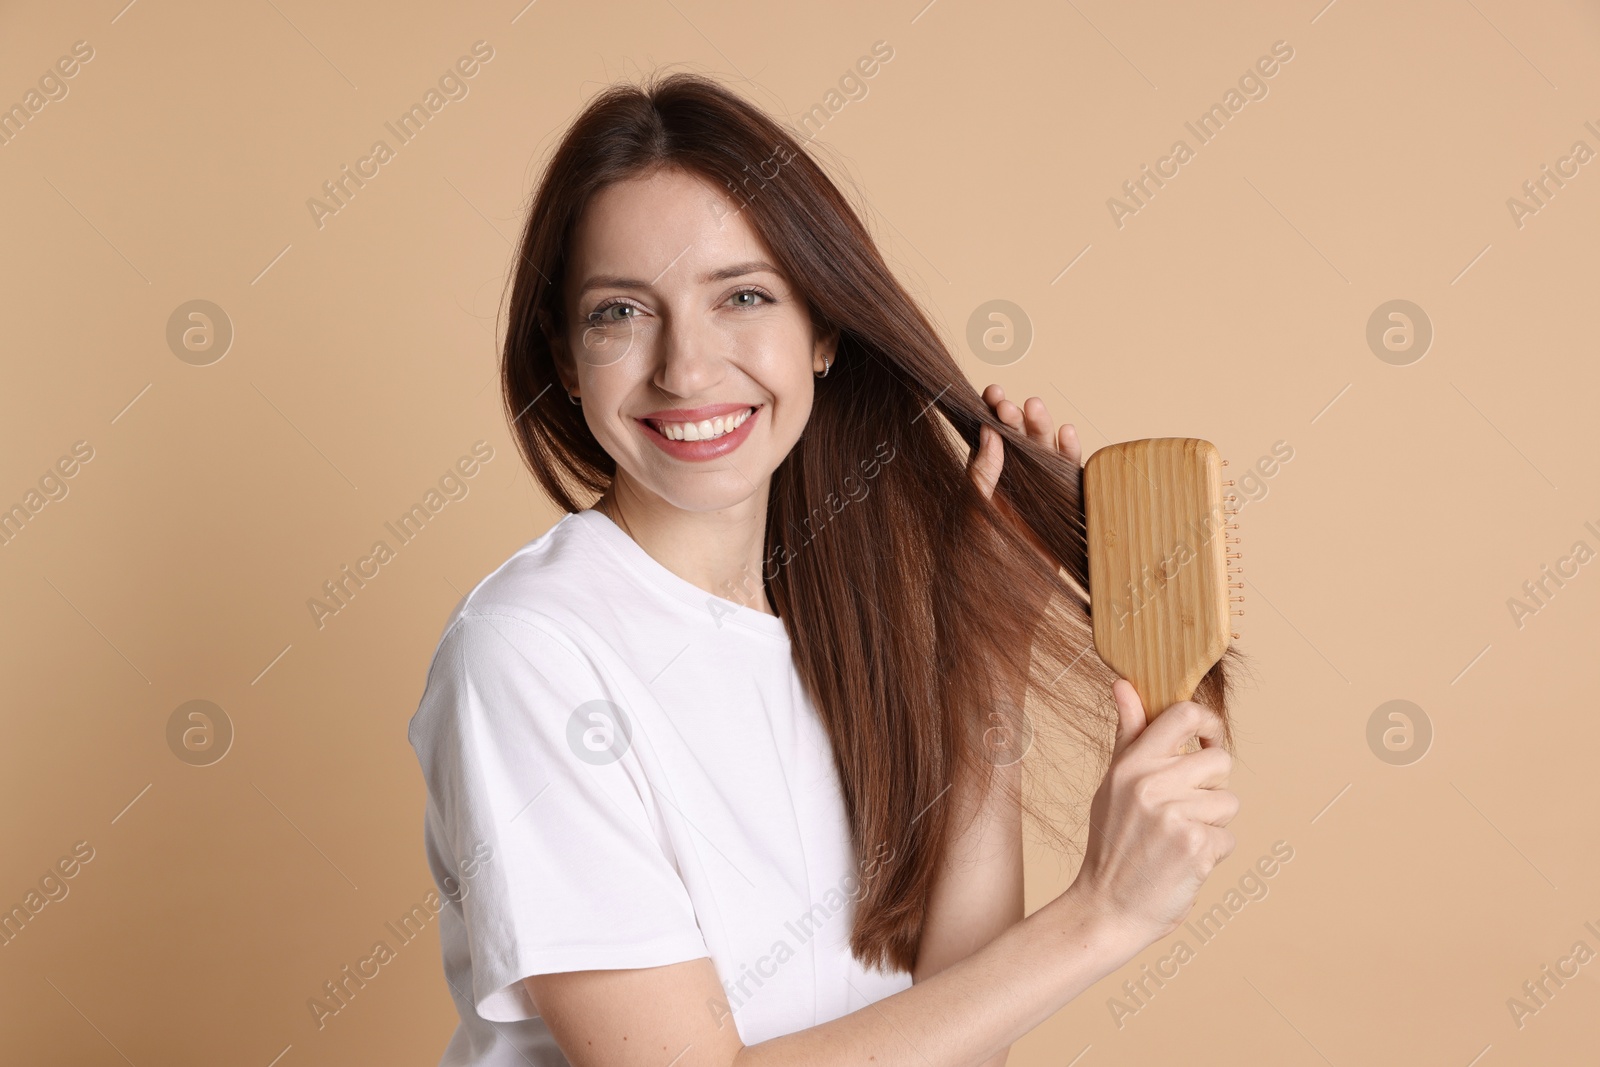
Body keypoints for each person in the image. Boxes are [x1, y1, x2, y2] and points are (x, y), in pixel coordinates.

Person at [407, 70, 1242, 1067]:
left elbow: (955, 1041)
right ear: (564, 348)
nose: (685, 367)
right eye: (621, 312)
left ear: (824, 329)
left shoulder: (839, 621)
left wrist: (982, 656)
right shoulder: (530, 653)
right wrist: (1102, 914)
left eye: (744, 296)